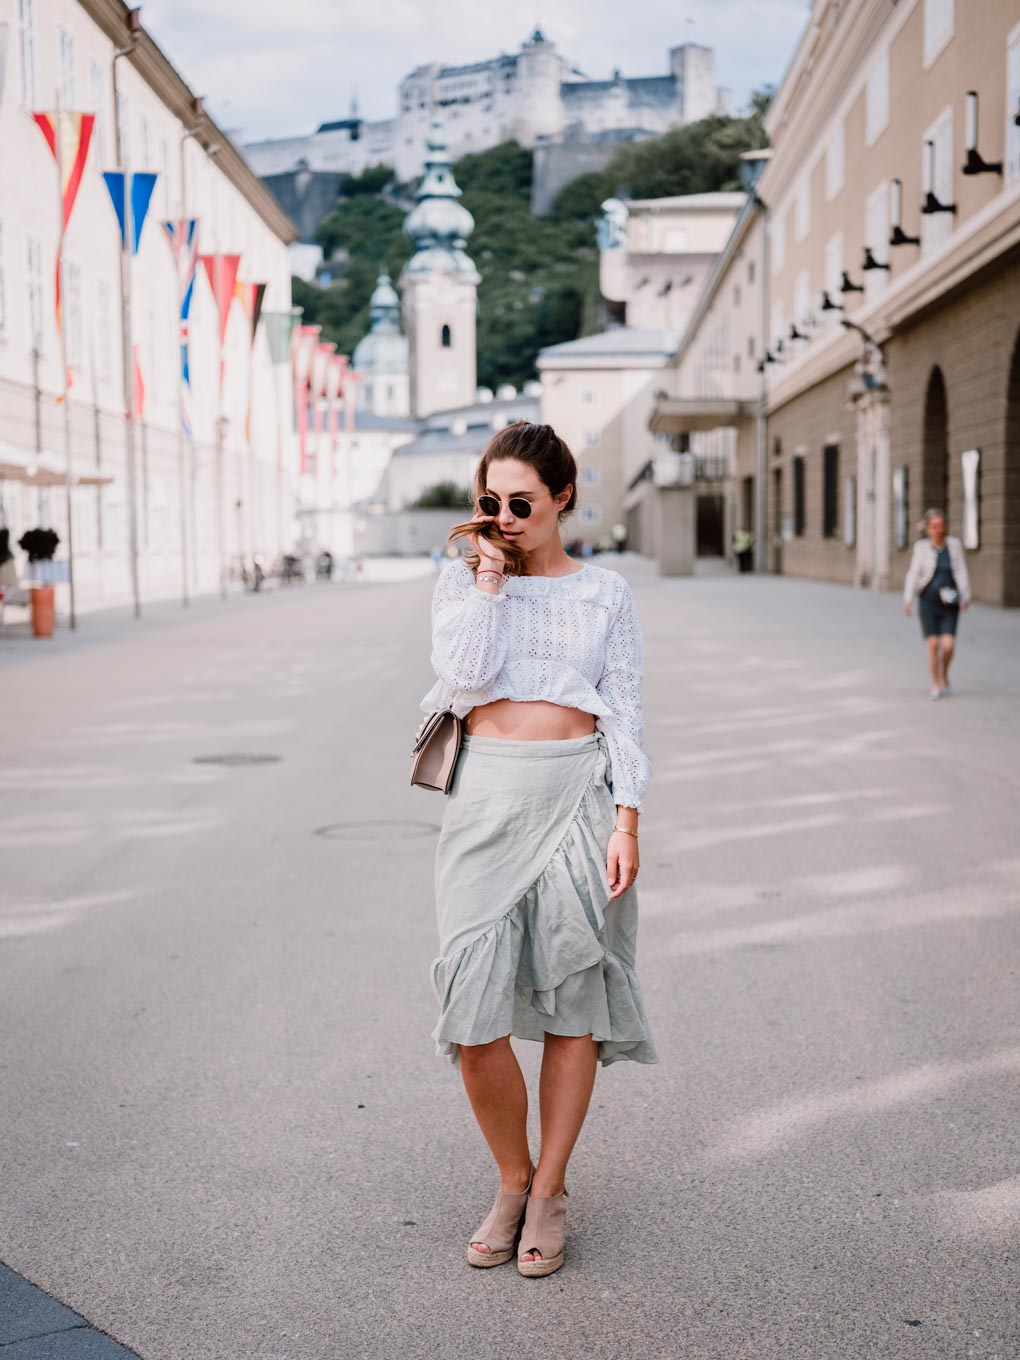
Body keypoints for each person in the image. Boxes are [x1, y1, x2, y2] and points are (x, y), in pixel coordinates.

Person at [419, 421, 657, 1280]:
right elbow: (467, 678)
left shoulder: (605, 594)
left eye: (522, 503)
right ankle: (509, 1179)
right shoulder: (463, 583)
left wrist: (628, 819)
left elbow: (624, 709)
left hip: (579, 799)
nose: (506, 518)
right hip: (485, 801)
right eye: (490, 503)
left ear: (561, 497)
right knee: (473, 1013)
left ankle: (549, 1190)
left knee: (571, 1003)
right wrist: (488, 575)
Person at [903, 508, 971, 698]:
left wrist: (965, 596)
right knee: (933, 643)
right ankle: (936, 684)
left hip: (950, 602)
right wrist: (908, 599)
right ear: (927, 529)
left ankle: (945, 673)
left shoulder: (954, 545)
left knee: (948, 645)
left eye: (941, 526)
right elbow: (913, 573)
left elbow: (961, 572)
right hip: (928, 602)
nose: (939, 530)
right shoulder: (921, 548)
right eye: (934, 526)